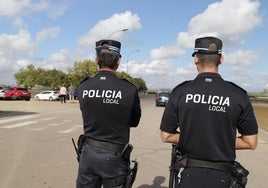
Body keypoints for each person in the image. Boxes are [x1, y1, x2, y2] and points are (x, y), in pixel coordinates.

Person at [160, 36, 258, 188]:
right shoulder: (238, 94)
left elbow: (166, 136)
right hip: (223, 178)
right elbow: (251, 142)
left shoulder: (180, 92)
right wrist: (219, 140)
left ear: (196, 59)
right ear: (221, 59)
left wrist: (195, 139)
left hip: (189, 176)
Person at [76, 39, 141, 188]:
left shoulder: (83, 86)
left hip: (88, 154)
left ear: (96, 61)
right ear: (118, 61)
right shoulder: (129, 89)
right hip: (115, 157)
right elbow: (134, 122)